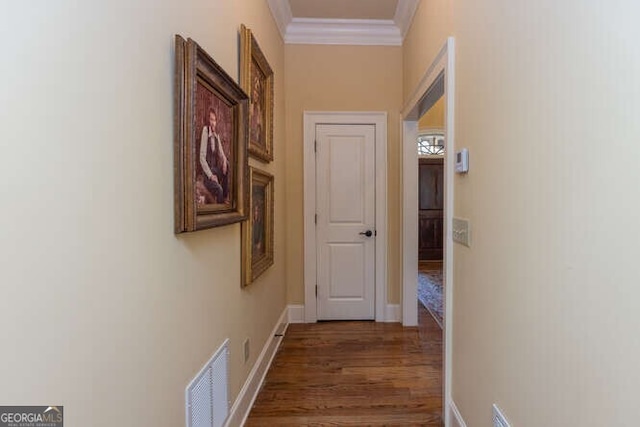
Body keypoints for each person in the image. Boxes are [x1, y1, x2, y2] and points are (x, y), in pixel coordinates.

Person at [199, 108, 229, 203]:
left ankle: (225, 197)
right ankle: (220, 207)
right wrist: (211, 175)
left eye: (214, 120)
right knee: (219, 190)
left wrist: (224, 161)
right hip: (207, 173)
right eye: (211, 120)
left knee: (227, 165)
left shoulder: (216, 135)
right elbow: (201, 158)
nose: (213, 123)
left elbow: (221, 152)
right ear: (208, 120)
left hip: (214, 170)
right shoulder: (205, 131)